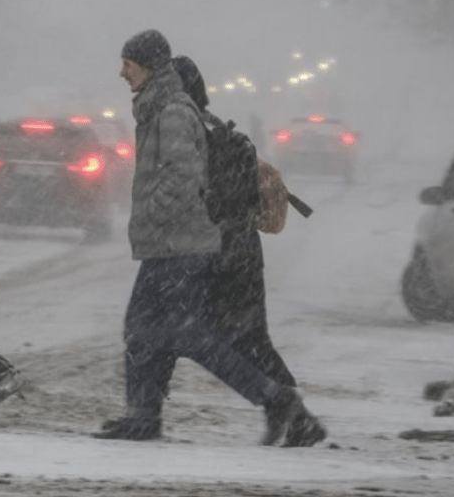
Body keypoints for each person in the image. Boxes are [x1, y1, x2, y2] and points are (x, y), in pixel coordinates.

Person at [95, 29, 313, 443]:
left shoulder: (173, 111)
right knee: (145, 329)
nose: (122, 72)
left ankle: (277, 401)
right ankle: (143, 416)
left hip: (182, 245)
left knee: (187, 335)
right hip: (171, 244)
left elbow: (181, 179)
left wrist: (152, 218)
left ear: (149, 66)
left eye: (128, 63)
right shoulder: (157, 107)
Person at [165, 55, 327, 447]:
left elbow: (199, 199)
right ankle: (288, 413)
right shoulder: (211, 127)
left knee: (212, 337)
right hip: (239, 251)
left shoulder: (194, 134)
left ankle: (292, 414)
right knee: (246, 339)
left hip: (218, 253)